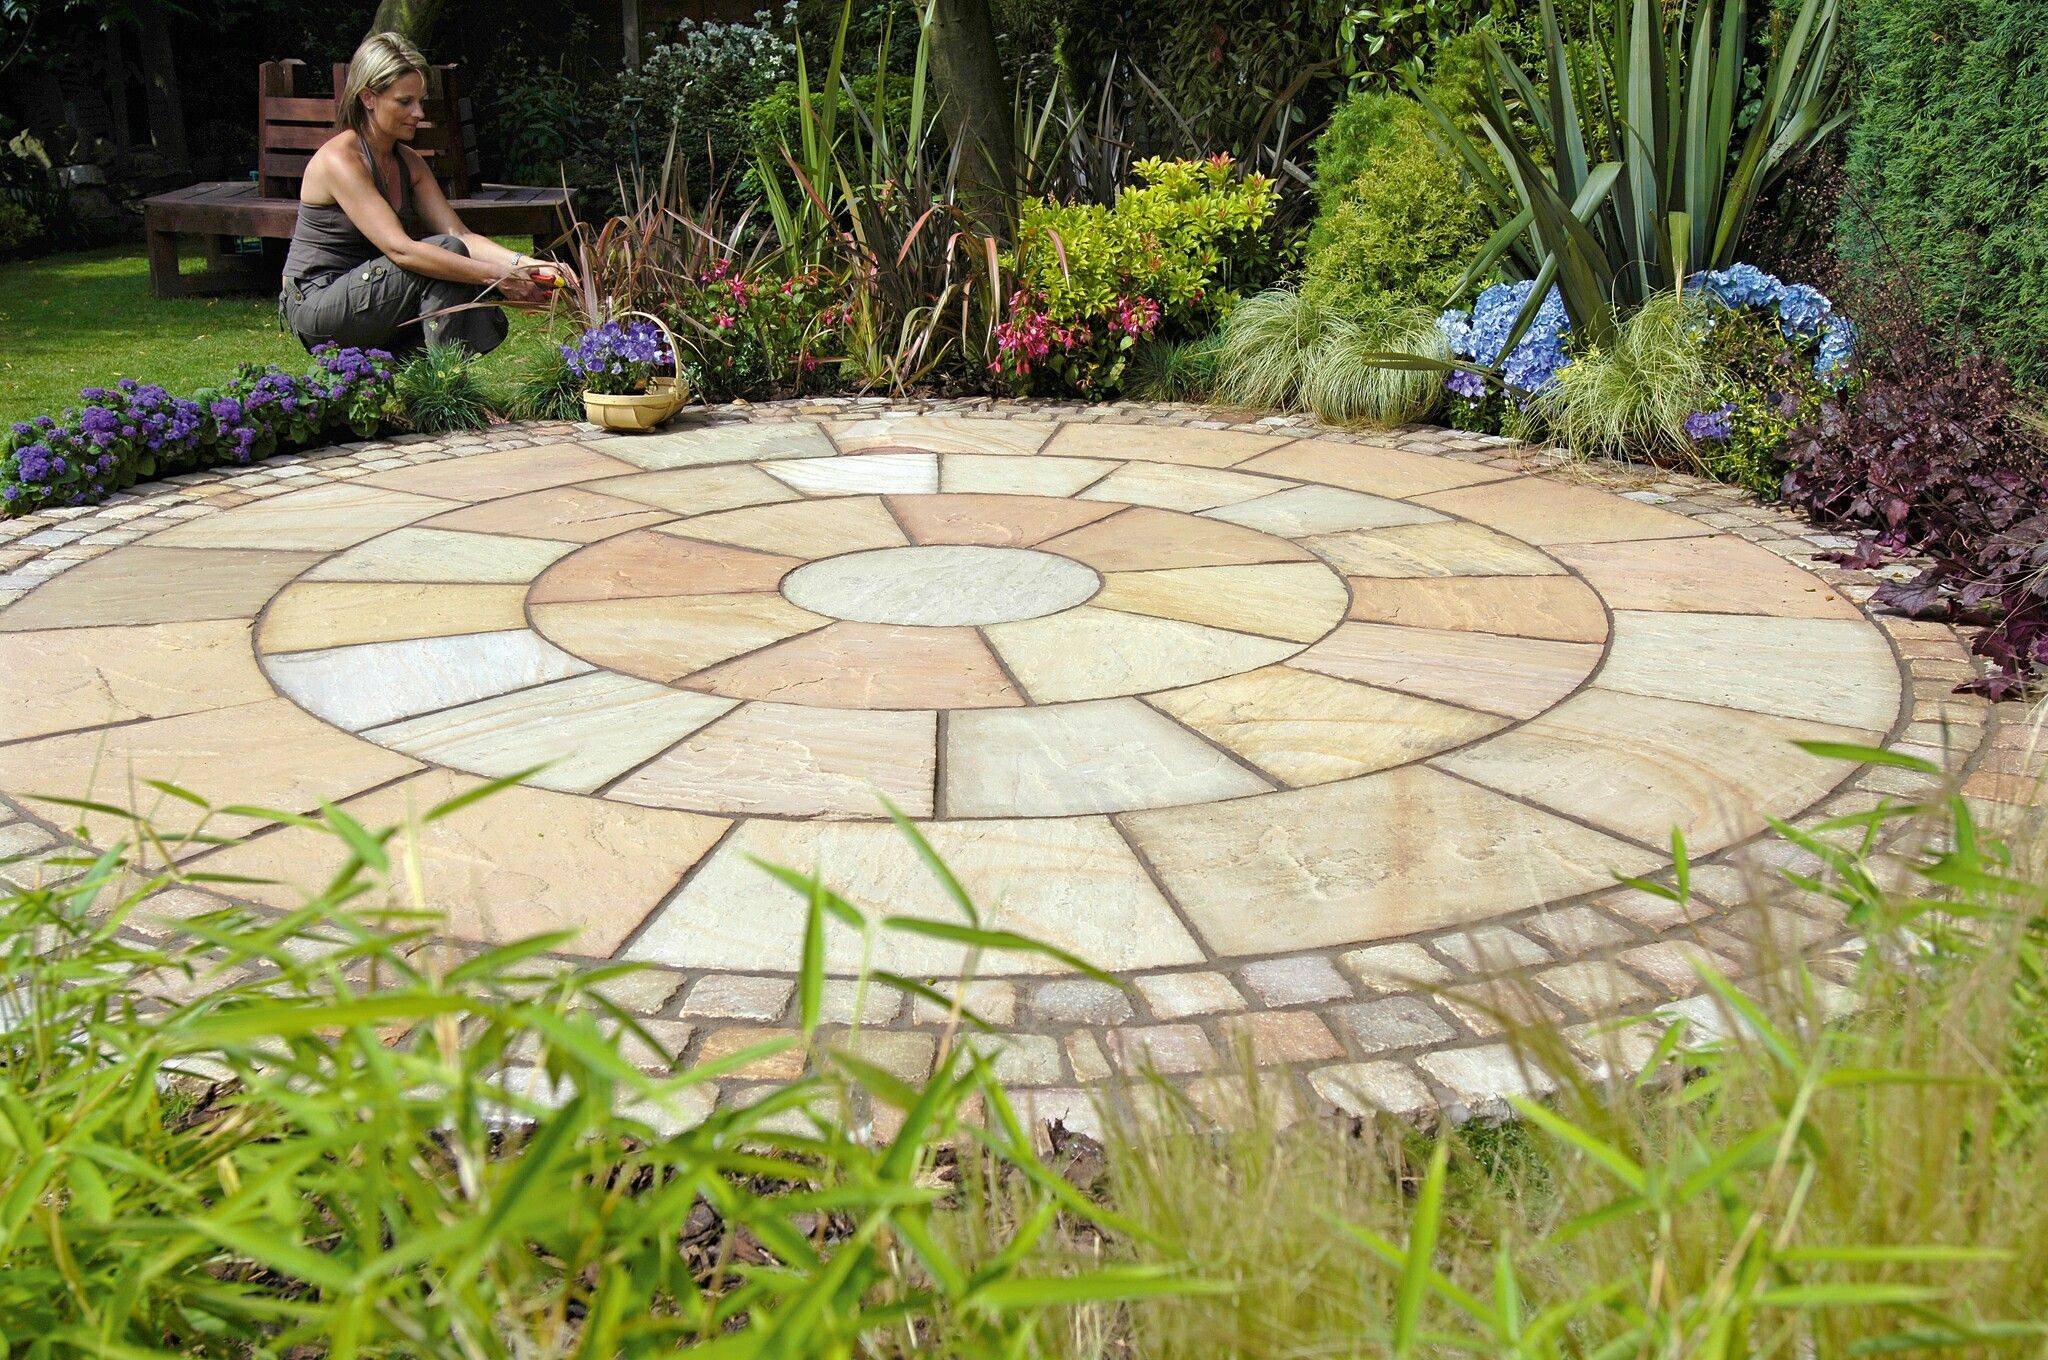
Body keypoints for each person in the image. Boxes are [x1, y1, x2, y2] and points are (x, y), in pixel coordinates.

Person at [279, 32, 573, 356]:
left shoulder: (409, 163)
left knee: (453, 260)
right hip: (315, 305)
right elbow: (402, 250)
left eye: (420, 101)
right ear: (368, 98)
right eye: (405, 102)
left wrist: (525, 264)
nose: (419, 113)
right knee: (445, 257)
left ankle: (439, 391)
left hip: (369, 298)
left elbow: (462, 234)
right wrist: (496, 277)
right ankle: (442, 389)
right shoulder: (341, 159)